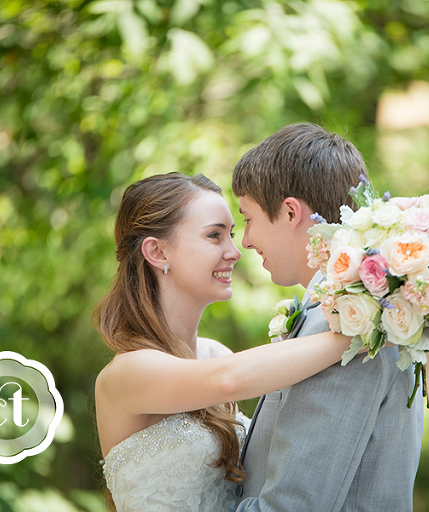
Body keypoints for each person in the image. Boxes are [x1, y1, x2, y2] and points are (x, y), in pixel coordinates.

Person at [93, 172, 358, 512]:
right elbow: (230, 380)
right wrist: (357, 329)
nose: (235, 251)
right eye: (214, 235)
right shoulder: (128, 372)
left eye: (231, 234)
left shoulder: (213, 353)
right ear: (157, 252)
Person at [233, 123, 424, 512]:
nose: (245, 241)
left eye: (248, 219)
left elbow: (291, 506)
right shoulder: (349, 312)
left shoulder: (346, 325)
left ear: (290, 213)